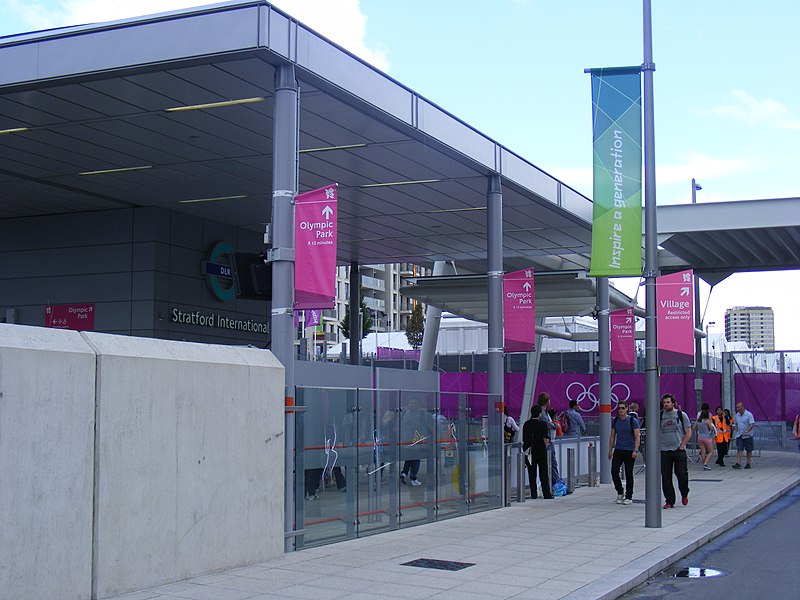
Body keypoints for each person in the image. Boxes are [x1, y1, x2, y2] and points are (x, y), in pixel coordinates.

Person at [659, 393, 692, 509]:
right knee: (666, 477)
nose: (666, 404)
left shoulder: (681, 415)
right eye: (664, 402)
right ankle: (669, 500)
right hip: (664, 450)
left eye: (668, 402)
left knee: (682, 474)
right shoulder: (660, 416)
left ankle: (684, 493)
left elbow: (688, 432)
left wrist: (683, 445)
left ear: (673, 403)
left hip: (678, 449)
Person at [608, 401, 641, 505]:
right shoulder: (616, 420)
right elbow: (612, 435)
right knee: (614, 471)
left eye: (623, 408)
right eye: (619, 408)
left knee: (628, 473)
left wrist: (635, 450)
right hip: (619, 449)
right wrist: (610, 450)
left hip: (629, 450)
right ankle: (620, 491)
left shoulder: (632, 421)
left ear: (627, 409)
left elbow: (637, 436)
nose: (621, 410)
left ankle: (629, 496)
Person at [522, 405, 553, 499]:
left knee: (532, 473)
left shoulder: (526, 424)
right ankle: (546, 494)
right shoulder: (542, 424)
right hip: (541, 451)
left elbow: (524, 438)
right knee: (543, 472)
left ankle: (533, 494)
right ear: (540, 413)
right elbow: (545, 439)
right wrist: (546, 445)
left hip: (529, 452)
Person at [537, 392, 560, 486]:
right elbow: (546, 423)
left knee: (552, 463)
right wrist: (555, 425)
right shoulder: (542, 413)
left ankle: (555, 482)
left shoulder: (546, 412)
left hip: (550, 441)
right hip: (547, 442)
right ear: (546, 401)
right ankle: (555, 483)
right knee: (551, 463)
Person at [732, 401, 755, 469]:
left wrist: (747, 431)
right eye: (737, 407)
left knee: (749, 450)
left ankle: (748, 463)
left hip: (748, 435)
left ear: (742, 407)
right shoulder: (737, 415)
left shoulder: (749, 414)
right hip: (740, 435)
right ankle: (738, 462)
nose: (737, 408)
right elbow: (735, 423)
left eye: (738, 407)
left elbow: (751, 424)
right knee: (739, 448)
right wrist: (734, 426)